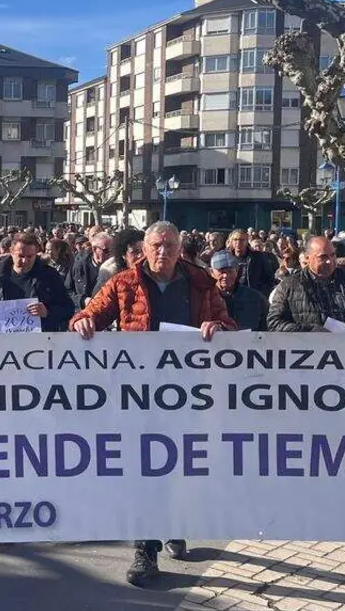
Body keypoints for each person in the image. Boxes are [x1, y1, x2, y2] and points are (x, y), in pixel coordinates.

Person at [70, 221, 235, 587]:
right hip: (140, 395)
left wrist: (219, 328)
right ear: (143, 248)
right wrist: (82, 321)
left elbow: (227, 323)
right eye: (156, 245)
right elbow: (92, 313)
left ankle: (172, 523)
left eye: (170, 246)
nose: (163, 252)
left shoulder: (202, 283)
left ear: (181, 249)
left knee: (179, 466)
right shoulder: (124, 282)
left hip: (189, 393)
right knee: (146, 468)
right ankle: (145, 550)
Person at [267, 235, 345, 332]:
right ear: (307, 258)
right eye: (323, 257)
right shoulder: (289, 286)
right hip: (309, 352)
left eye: (333, 255)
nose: (330, 261)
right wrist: (308, 331)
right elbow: (274, 322)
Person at [0, 233, 75, 334]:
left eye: (30, 256)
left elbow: (68, 308)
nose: (25, 261)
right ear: (11, 252)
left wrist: (48, 312)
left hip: (39, 343)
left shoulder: (50, 276)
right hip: (0, 343)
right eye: (20, 256)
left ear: (36, 253)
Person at [209, 252, 267, 331]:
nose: (225, 276)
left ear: (237, 271)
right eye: (221, 272)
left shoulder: (255, 298)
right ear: (211, 272)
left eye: (230, 271)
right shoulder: (206, 299)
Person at [67, 231, 112, 308]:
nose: (111, 254)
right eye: (106, 251)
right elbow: (67, 291)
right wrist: (82, 300)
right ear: (94, 249)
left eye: (113, 250)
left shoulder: (117, 267)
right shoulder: (79, 266)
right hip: (85, 313)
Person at [227, 230, 277, 297]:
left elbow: (269, 279)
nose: (238, 242)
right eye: (235, 239)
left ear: (247, 241)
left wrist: (260, 294)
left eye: (242, 240)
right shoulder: (227, 257)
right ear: (232, 242)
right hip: (232, 296)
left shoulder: (258, 257)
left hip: (253, 297)